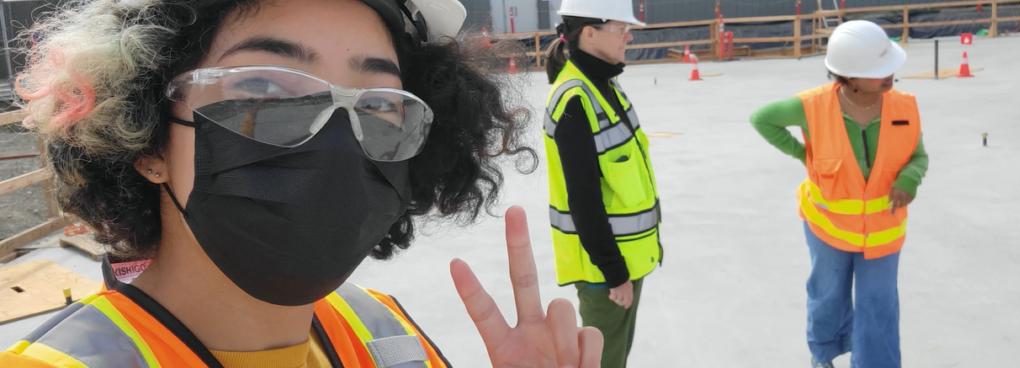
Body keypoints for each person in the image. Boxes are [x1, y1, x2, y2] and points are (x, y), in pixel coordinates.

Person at [0, 0, 605, 367]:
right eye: (263, 89)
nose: (338, 139)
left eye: (379, 102)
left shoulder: (382, 329)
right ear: (148, 138)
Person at [749, 20, 929, 368]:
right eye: (878, 71)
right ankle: (824, 356)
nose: (889, 75)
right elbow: (761, 119)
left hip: (883, 231)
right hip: (827, 228)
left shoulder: (905, 107)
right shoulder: (813, 106)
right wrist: (802, 153)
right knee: (827, 298)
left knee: (879, 304)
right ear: (848, 78)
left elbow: (918, 156)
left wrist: (910, 179)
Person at [542, 0, 661, 367]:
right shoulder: (575, 101)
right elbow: (584, 203)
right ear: (590, 33)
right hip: (604, 274)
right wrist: (615, 274)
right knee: (603, 361)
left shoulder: (607, 84)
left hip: (629, 260)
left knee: (615, 357)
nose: (628, 37)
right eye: (620, 28)